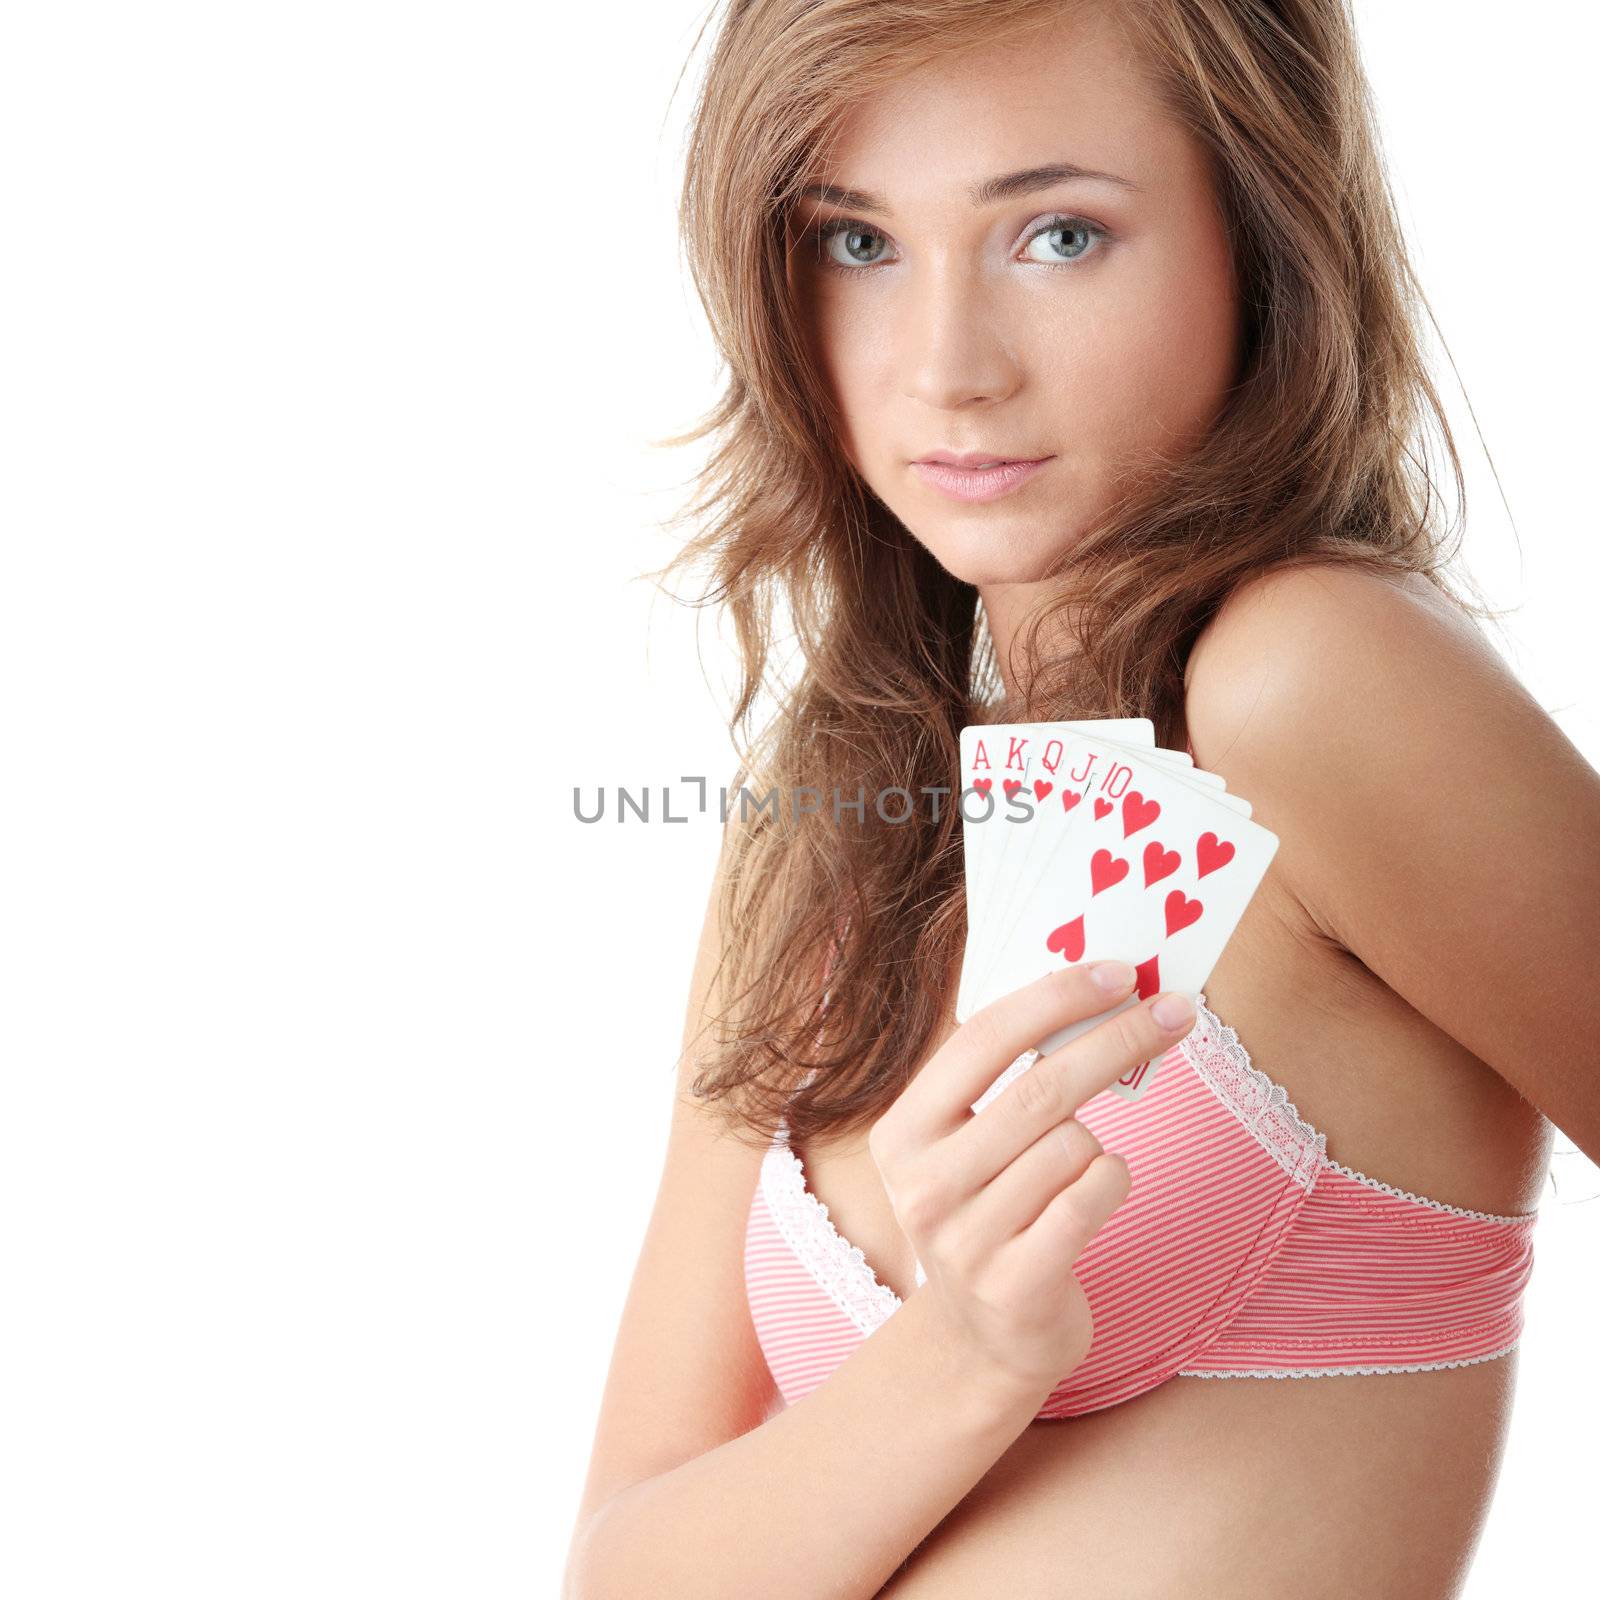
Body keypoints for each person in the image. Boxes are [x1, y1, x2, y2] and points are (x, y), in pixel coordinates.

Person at [563, 1, 1600, 1595]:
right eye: (858, 243)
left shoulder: (1304, 684)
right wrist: (965, 1357)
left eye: (1056, 233)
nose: (946, 369)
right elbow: (627, 1568)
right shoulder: (825, 818)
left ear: (1259, 230)